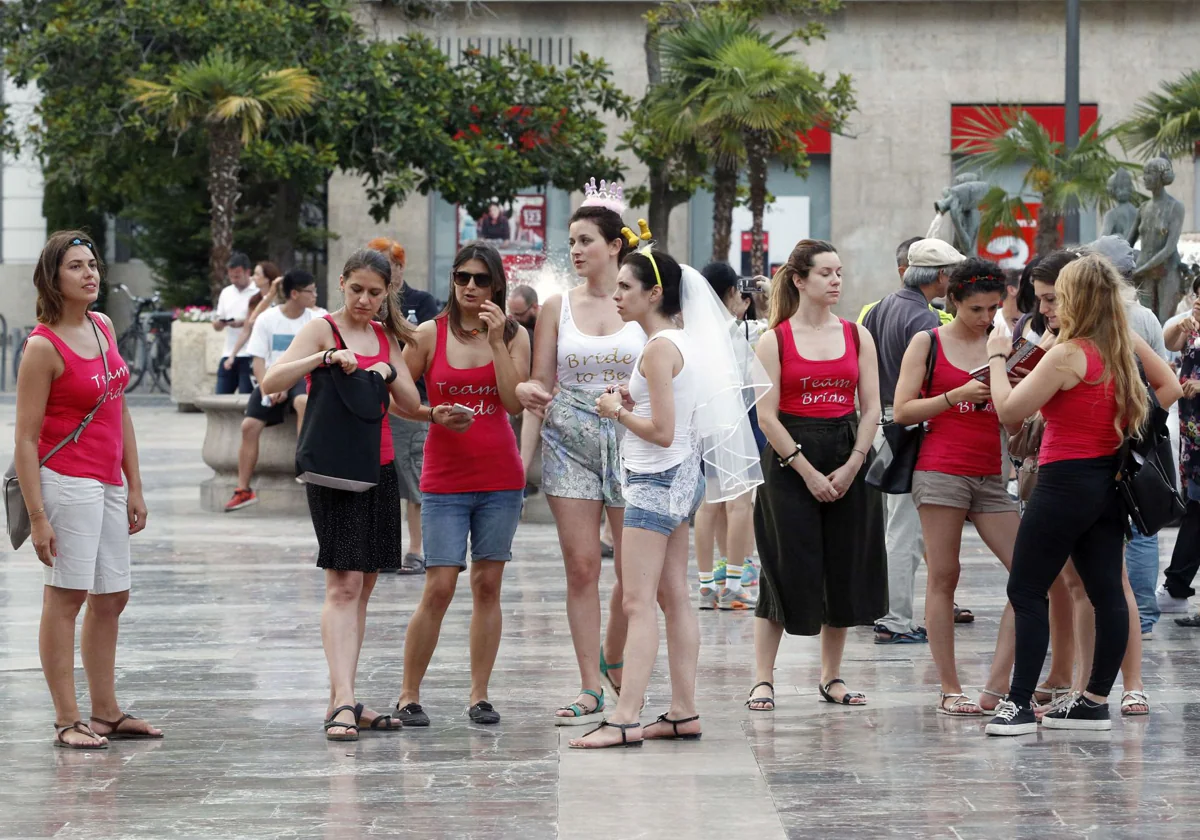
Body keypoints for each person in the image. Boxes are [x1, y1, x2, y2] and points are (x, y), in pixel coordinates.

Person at [569, 242, 764, 748]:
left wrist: (615, 409)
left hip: (656, 480)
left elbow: (659, 430)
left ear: (655, 293)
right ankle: (682, 711)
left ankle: (625, 717)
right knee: (675, 597)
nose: (616, 297)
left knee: (637, 602)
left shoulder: (658, 348)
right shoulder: (683, 342)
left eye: (626, 288)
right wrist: (631, 399)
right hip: (683, 478)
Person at [984, 254, 1179, 736]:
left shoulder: (1068, 353)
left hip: (1063, 480)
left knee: (1027, 589)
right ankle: (1093, 701)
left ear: (1076, 299)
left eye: (1056, 298)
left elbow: (1009, 409)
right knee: (1106, 590)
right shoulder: (1118, 345)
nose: (1047, 307)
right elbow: (1169, 388)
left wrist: (994, 354)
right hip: (1108, 481)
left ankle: (1019, 704)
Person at [260, 249, 421, 740]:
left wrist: (428, 404)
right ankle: (344, 701)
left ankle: (342, 696)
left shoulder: (383, 336)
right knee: (343, 585)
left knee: (365, 586)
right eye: (357, 290)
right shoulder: (321, 328)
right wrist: (326, 358)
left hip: (381, 467)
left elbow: (409, 403)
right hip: (336, 472)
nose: (365, 300)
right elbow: (272, 382)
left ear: (387, 292)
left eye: (376, 293)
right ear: (343, 284)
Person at [14, 230, 160, 748]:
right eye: (76, 266)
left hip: (107, 482)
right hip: (65, 483)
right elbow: (26, 440)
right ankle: (66, 718)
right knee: (67, 596)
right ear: (53, 278)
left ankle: (105, 712)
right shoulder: (41, 346)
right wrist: (37, 517)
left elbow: (118, 412)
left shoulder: (102, 326)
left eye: (92, 264)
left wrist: (135, 485)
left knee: (112, 597)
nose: (90, 273)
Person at [516, 183, 647, 726]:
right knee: (581, 567)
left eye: (586, 240)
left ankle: (616, 657)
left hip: (632, 439)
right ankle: (590, 686)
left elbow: (667, 368)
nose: (575, 250)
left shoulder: (640, 301)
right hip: (569, 443)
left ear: (615, 246)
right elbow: (538, 389)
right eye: (571, 241)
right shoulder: (555, 307)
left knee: (634, 572)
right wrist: (520, 464)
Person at [392, 242, 530, 727]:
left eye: (481, 279)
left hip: (500, 477)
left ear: (497, 286)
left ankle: (479, 694)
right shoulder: (429, 334)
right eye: (462, 277)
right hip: (445, 479)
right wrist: (432, 413)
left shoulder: (514, 336)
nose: (470, 286)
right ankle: (408, 693)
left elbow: (514, 403)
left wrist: (496, 342)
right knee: (440, 585)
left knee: (488, 584)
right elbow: (398, 399)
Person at [746, 239, 886, 713]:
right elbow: (767, 418)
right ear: (800, 279)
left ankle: (832, 676)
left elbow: (873, 408)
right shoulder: (774, 339)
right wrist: (806, 471)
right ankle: (763, 678)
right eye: (826, 273)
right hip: (790, 462)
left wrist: (853, 463)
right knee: (783, 566)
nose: (836, 282)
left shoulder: (856, 334)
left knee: (843, 567)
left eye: (840, 273)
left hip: (849, 452)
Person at [892, 258, 1022, 716]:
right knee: (945, 575)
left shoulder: (1005, 345)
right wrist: (953, 397)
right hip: (940, 469)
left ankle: (996, 684)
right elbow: (902, 410)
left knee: (1028, 574)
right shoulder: (927, 342)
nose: (987, 318)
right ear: (953, 303)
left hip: (992, 473)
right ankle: (949, 687)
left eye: (993, 308)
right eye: (976, 310)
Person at [860, 237, 967, 645]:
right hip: (909, 426)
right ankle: (895, 618)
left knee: (898, 524)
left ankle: (891, 613)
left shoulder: (880, 308)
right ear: (940, 276)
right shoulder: (924, 320)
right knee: (905, 528)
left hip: (882, 424)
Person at [224, 270, 325, 512]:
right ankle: (243, 490)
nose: (315, 295)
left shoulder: (317, 319)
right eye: (310, 291)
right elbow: (258, 360)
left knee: (303, 401)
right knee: (248, 426)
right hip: (271, 378)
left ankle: (304, 464)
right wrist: (268, 389)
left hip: (302, 377)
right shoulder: (268, 319)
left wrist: (287, 384)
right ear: (294, 294)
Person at [367, 237, 437, 575]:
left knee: (413, 476)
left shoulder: (421, 302)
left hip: (411, 400)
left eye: (385, 265)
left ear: (399, 267)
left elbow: (427, 340)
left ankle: (417, 549)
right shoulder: (367, 303)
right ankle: (384, 547)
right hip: (372, 402)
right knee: (380, 479)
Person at [693, 261, 759, 610]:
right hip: (734, 421)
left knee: (709, 503)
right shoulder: (737, 332)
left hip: (702, 423)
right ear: (733, 293)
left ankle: (706, 585)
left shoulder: (694, 332)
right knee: (740, 503)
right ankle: (735, 582)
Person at [1158, 278, 1200, 622]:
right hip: (1193, 431)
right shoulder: (1192, 323)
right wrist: (1183, 325)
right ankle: (1176, 586)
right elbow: (1168, 343)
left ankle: (1176, 586)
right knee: (1196, 506)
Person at [508, 284, 543, 491]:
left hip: (546, 392)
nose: (514, 318)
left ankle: (521, 473)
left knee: (532, 404)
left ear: (534, 308)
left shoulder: (545, 329)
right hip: (523, 390)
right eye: (511, 312)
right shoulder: (513, 329)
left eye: (519, 314)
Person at [213, 252, 257, 394]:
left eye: (237, 276)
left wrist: (242, 322)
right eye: (231, 276)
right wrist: (219, 324)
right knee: (221, 396)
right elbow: (218, 320)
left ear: (247, 272)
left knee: (246, 397)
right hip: (229, 352)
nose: (234, 280)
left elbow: (263, 320)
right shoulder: (226, 293)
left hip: (250, 353)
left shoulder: (258, 291)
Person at [223, 261, 281, 366]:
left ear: (267, 278)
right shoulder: (254, 300)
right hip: (258, 352)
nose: (253, 277)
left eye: (257, 274)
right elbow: (247, 328)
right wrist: (232, 355)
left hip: (276, 352)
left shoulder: (280, 300)